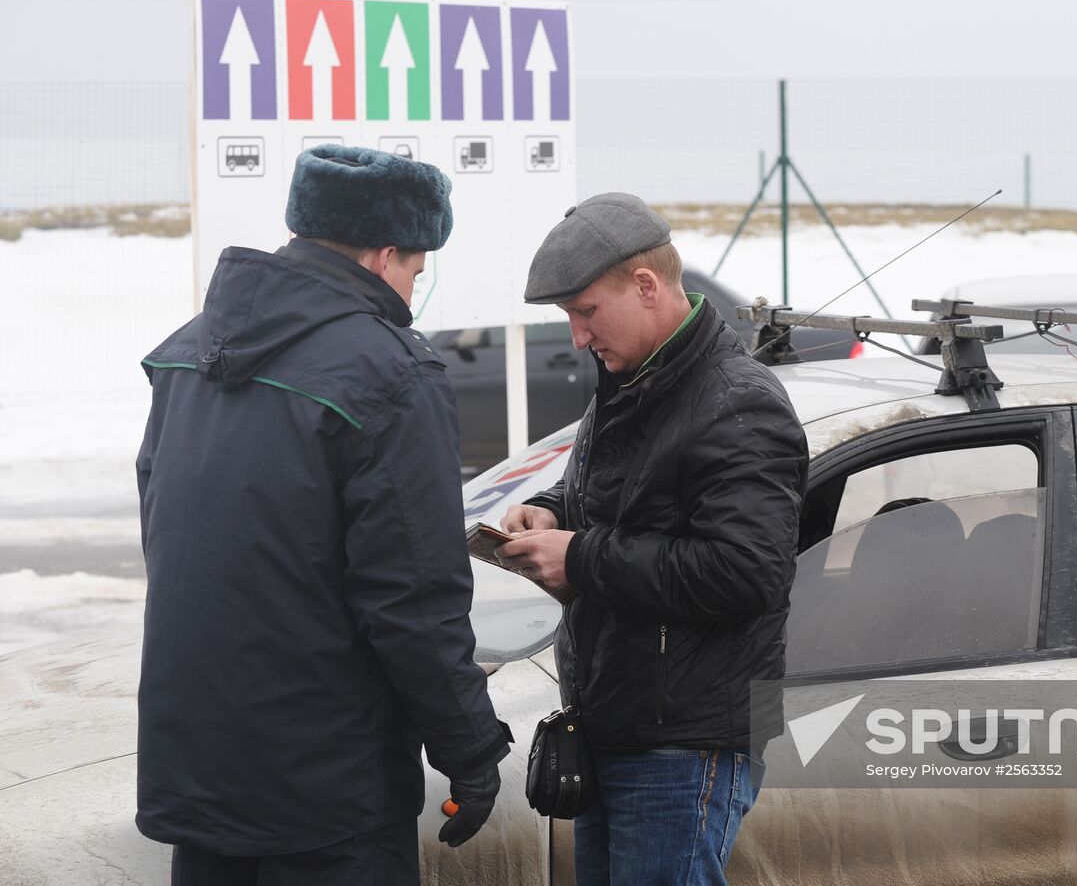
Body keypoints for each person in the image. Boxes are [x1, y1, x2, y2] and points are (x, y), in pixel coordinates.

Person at [135, 144, 510, 885]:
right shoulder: (390, 374)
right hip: (330, 800)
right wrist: (471, 753)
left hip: (200, 778)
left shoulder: (187, 355)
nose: (414, 291)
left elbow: (172, 542)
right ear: (385, 253)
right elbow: (414, 598)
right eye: (416, 270)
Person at [499, 192, 809, 885]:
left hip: (685, 745)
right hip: (621, 725)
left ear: (645, 286)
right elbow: (629, 501)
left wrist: (579, 556)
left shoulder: (737, 401)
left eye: (585, 312)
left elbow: (746, 571)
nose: (578, 336)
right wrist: (550, 512)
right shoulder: (635, 378)